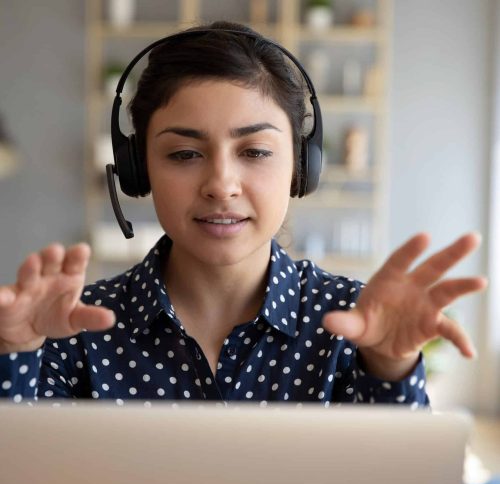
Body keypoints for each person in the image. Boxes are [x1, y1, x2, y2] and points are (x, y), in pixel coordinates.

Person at [0, 21, 486, 406]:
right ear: (137, 168)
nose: (220, 185)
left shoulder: (356, 326)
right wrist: (14, 356)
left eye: (254, 151)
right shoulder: (71, 328)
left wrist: (389, 369)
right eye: (185, 154)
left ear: (301, 166)